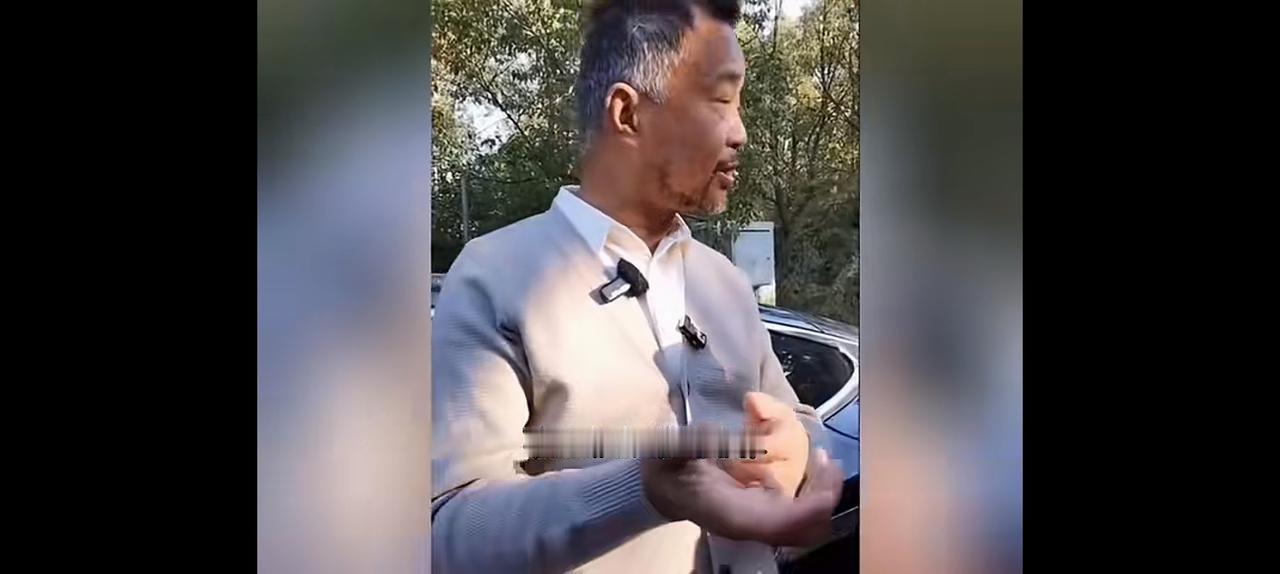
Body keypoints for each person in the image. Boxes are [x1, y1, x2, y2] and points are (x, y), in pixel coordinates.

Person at [430, 1, 842, 572]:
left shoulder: (723, 281)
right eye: (721, 99)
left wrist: (798, 452)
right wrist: (643, 491)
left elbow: (798, 425)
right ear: (628, 114)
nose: (741, 132)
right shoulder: (492, 278)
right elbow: (449, 533)